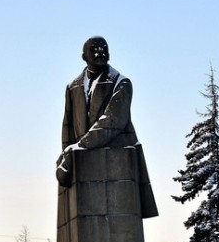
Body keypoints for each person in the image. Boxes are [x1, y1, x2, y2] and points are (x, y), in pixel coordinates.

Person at [56, 37, 157, 218]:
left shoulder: (121, 82)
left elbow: (113, 120)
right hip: (83, 163)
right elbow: (68, 126)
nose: (100, 52)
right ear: (84, 56)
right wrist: (67, 155)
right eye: (94, 49)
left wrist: (80, 147)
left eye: (104, 48)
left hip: (118, 158)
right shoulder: (72, 87)